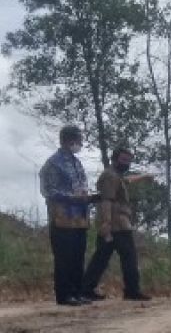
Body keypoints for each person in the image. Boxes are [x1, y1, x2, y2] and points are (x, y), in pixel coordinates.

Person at [81, 146, 152, 302]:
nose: (126, 163)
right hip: (116, 225)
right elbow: (107, 201)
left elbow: (126, 181)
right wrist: (106, 225)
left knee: (101, 258)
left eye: (129, 160)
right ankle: (132, 291)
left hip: (116, 223)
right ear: (115, 159)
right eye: (123, 159)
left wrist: (143, 177)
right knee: (129, 258)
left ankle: (86, 289)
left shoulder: (116, 176)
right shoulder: (110, 176)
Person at [39, 125, 94, 306]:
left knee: (78, 255)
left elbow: (82, 186)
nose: (81, 143)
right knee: (64, 257)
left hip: (79, 218)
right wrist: (72, 197)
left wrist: (88, 196)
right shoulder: (53, 164)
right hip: (61, 219)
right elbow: (48, 191)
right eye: (79, 140)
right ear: (69, 140)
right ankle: (64, 295)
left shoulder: (76, 163)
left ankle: (77, 292)